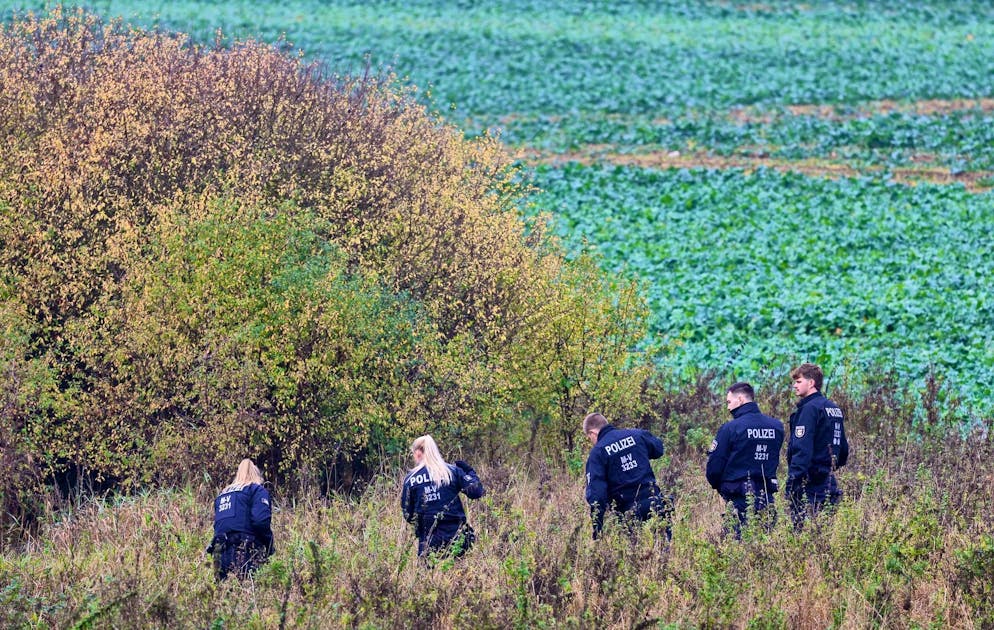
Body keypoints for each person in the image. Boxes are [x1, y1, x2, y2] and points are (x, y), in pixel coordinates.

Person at [706, 382, 785, 538]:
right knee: (765, 545)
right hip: (766, 496)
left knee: (736, 546)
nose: (728, 407)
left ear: (740, 399)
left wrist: (720, 487)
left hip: (738, 497)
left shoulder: (730, 428)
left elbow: (714, 467)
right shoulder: (776, 427)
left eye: (729, 402)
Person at [583, 412, 671, 539]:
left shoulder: (597, 453)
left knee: (634, 555)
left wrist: (598, 530)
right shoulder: (636, 435)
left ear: (592, 433)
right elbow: (658, 449)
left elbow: (597, 495)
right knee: (665, 551)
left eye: (589, 437)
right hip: (655, 503)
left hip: (629, 513)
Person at [786, 363, 849, 528]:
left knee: (803, 533)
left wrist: (793, 481)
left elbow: (802, 449)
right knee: (825, 532)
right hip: (829, 480)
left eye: (799, 382)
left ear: (811, 383)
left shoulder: (809, 409)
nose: (794, 386)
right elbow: (843, 450)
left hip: (810, 482)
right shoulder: (834, 408)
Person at [401, 435, 485, 560]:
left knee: (429, 577)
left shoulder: (411, 479)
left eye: (413, 452)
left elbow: (408, 514)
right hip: (456, 536)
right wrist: (470, 472)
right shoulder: (452, 471)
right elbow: (476, 492)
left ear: (418, 452)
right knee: (458, 576)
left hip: (428, 539)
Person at [207, 458, 274, 580]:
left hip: (219, 552)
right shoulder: (256, 490)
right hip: (245, 550)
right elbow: (261, 521)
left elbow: (219, 524)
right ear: (257, 476)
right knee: (249, 592)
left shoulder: (222, 495)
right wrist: (270, 547)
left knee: (224, 595)